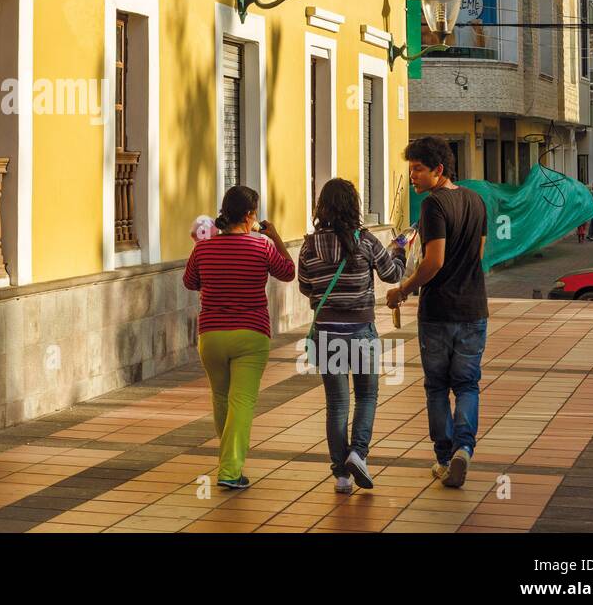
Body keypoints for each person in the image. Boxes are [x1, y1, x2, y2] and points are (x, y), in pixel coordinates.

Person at [386, 137, 488, 489]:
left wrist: (403, 289)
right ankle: (464, 450)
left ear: (438, 170)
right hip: (474, 308)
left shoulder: (433, 205)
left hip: (439, 312)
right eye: (410, 168)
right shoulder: (476, 200)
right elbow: (479, 252)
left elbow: (434, 261)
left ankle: (445, 458)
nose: (412, 176)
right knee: (467, 384)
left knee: (436, 387)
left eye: (418, 169)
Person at [183, 185, 295, 491]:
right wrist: (275, 237)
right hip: (251, 334)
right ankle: (230, 470)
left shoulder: (203, 249)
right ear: (249, 215)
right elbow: (288, 272)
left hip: (212, 335)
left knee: (222, 398)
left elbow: (190, 282)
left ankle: (229, 461)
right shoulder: (262, 246)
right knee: (242, 401)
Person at [298, 179, 406, 495]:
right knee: (367, 396)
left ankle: (341, 476)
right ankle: (358, 453)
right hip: (360, 331)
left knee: (336, 404)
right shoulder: (367, 241)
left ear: (323, 208)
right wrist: (400, 251)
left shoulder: (308, 245)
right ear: (353, 206)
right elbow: (393, 275)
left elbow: (306, 286)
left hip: (327, 332)